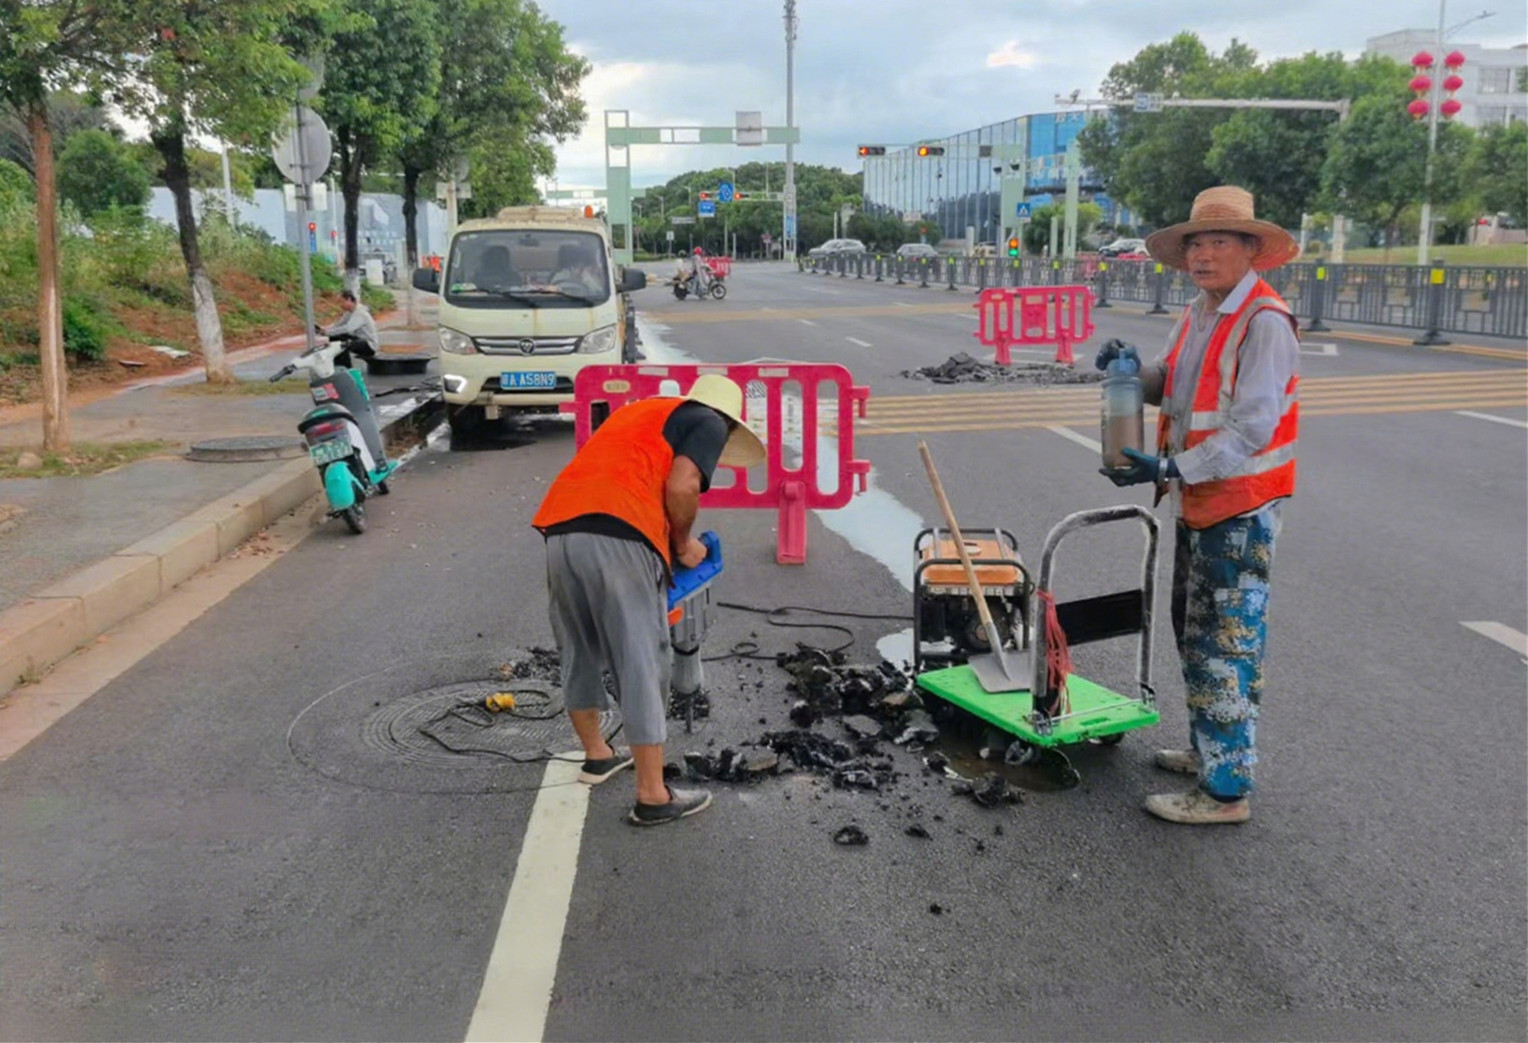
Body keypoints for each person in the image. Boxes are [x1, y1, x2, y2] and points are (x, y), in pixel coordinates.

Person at [1095, 185, 1301, 826]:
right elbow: (1174, 384)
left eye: (1218, 242)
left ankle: (1225, 791)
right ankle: (1208, 750)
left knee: (1225, 645)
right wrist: (1132, 372)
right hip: (1200, 502)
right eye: (1195, 245)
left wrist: (1171, 467)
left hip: (1240, 510)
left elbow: (1251, 429)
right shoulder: (1201, 312)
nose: (1203, 256)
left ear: (1250, 250)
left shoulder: (1264, 323)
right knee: (1195, 632)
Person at [532, 374, 766, 826]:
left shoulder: (639, 414)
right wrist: (682, 544)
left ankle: (597, 755)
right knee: (640, 657)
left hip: (561, 528)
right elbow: (682, 486)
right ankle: (652, 796)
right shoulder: (708, 421)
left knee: (578, 646)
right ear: (728, 424)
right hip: (621, 534)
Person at [319, 289, 379, 369]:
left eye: (342, 302)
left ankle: (346, 368)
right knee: (334, 338)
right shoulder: (349, 312)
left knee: (343, 345)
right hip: (358, 340)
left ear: (349, 299)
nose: (340, 305)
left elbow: (348, 328)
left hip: (369, 345)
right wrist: (325, 329)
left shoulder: (360, 313)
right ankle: (338, 365)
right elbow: (339, 324)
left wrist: (328, 332)